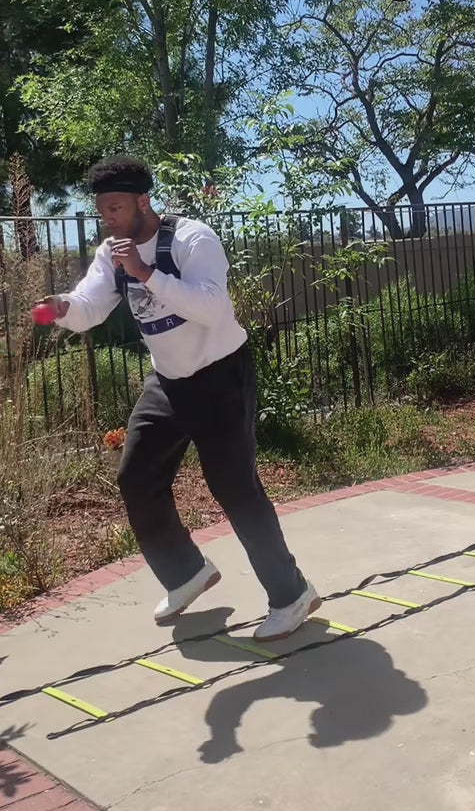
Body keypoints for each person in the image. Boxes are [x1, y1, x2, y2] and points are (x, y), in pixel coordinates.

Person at [33, 155, 320, 640]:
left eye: (116, 208)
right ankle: (186, 573)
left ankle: (292, 595)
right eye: (103, 211)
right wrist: (62, 307)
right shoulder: (111, 253)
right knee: (136, 475)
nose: (109, 219)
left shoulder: (191, 238)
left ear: (143, 202)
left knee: (234, 488)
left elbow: (212, 308)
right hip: (168, 380)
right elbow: (89, 307)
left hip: (220, 376)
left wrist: (145, 272)